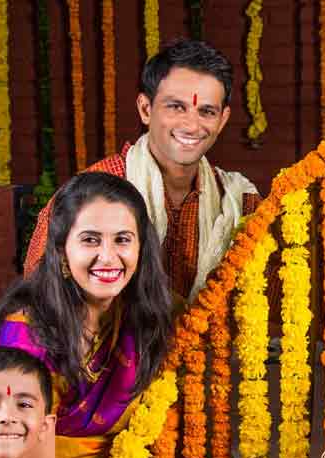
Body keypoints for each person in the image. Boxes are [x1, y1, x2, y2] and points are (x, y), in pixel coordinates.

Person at [0, 172, 173, 458]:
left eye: (122, 239)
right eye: (90, 240)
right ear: (62, 251)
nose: (108, 257)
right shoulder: (23, 334)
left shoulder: (139, 320)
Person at [24, 39, 260, 302]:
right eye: (176, 107)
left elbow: (276, 293)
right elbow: (39, 295)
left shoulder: (239, 202)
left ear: (223, 119)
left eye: (206, 111)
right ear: (145, 109)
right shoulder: (88, 195)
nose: (192, 125)